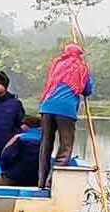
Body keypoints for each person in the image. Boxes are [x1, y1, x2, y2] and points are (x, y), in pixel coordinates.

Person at [37, 44, 94, 189]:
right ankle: (52, 182)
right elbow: (87, 90)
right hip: (66, 110)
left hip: (47, 107)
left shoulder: (57, 64)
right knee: (65, 146)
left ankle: (41, 182)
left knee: (45, 145)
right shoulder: (82, 68)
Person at [0, 116, 42, 187]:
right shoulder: (46, 139)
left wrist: (7, 172)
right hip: (37, 179)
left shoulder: (18, 138)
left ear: (24, 127)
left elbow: (5, 156)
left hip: (14, 176)